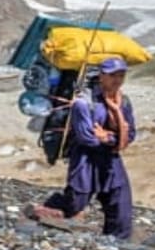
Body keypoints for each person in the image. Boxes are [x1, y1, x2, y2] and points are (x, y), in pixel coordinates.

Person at [31, 56, 137, 238]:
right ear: (101, 76)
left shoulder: (123, 102)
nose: (117, 80)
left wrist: (107, 137)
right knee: (76, 202)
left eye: (121, 76)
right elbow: (87, 137)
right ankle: (47, 209)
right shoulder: (83, 102)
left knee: (120, 203)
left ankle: (118, 243)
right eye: (113, 75)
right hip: (85, 158)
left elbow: (131, 133)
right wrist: (112, 137)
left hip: (111, 157)